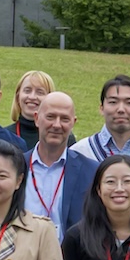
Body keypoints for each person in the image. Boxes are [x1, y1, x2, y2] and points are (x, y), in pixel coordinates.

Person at [74, 73, 130, 187]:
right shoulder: (79, 152)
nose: (121, 109)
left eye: (129, 103)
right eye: (113, 102)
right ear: (101, 108)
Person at [22, 89, 81, 232]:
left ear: (73, 122)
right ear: (36, 119)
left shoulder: (90, 171)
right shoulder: (17, 166)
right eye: (50, 117)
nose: (56, 125)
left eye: (65, 119)